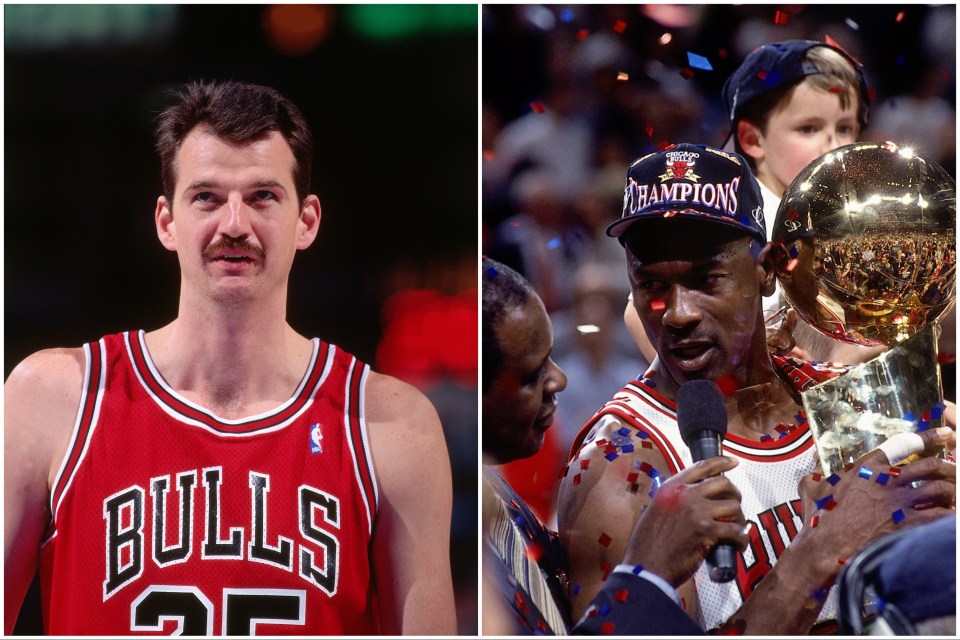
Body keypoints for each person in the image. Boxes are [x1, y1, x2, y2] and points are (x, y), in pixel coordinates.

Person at [4, 80, 456, 635]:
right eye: (207, 198)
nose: (235, 225)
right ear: (167, 221)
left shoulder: (393, 426)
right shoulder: (54, 397)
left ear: (307, 220)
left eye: (263, 196)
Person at [558, 143, 955, 634]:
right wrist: (817, 554)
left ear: (766, 271)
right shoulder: (620, 471)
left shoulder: (849, 400)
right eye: (652, 285)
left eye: (706, 279)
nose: (678, 313)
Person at [482, 257, 749, 635]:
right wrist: (648, 569)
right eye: (531, 375)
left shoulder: (493, 495)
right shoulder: (455, 548)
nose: (558, 380)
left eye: (551, 358)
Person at [624, 39, 883, 366]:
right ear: (752, 139)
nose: (833, 145)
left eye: (845, 128)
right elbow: (636, 311)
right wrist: (715, 395)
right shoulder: (736, 219)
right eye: (808, 128)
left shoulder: (851, 221)